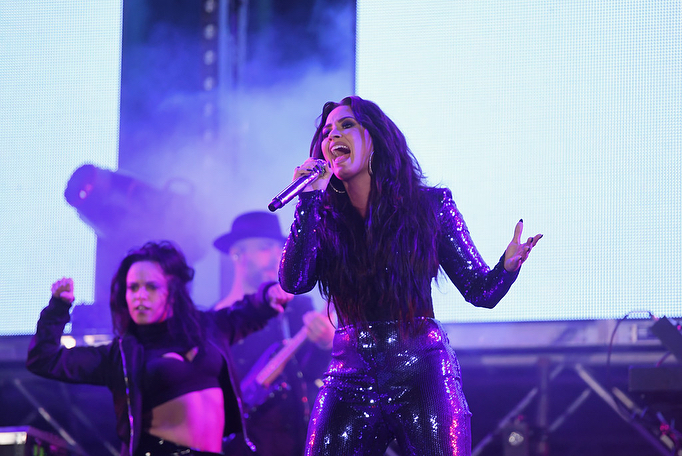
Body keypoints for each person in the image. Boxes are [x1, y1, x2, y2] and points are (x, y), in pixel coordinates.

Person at [279, 95, 543, 456]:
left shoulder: (430, 207)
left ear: (376, 139)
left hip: (421, 372)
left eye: (346, 125)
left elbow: (481, 291)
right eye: (326, 132)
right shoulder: (322, 218)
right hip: (349, 373)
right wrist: (308, 200)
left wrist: (507, 267)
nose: (332, 135)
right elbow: (294, 281)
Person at [26, 240, 292, 456]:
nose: (140, 296)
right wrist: (57, 309)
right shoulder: (120, 355)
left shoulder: (208, 328)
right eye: (133, 288)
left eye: (151, 287)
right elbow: (44, 359)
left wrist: (270, 293)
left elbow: (251, 310)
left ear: (172, 291)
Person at [212, 211, 334, 456]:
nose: (277, 256)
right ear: (237, 254)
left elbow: (311, 375)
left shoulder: (297, 309)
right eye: (265, 248)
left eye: (280, 248)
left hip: (294, 443)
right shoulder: (214, 322)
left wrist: (325, 345)